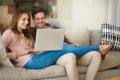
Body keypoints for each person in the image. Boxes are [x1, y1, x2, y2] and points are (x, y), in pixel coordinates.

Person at [2, 8, 113, 80]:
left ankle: (98, 49)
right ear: (16, 20)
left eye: (27, 20)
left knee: (61, 46)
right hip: (29, 62)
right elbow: (1, 54)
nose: (26, 22)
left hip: (35, 57)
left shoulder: (26, 33)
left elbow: (33, 49)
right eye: (23, 20)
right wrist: (18, 54)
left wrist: (35, 50)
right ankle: (99, 47)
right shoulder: (9, 33)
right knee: (60, 48)